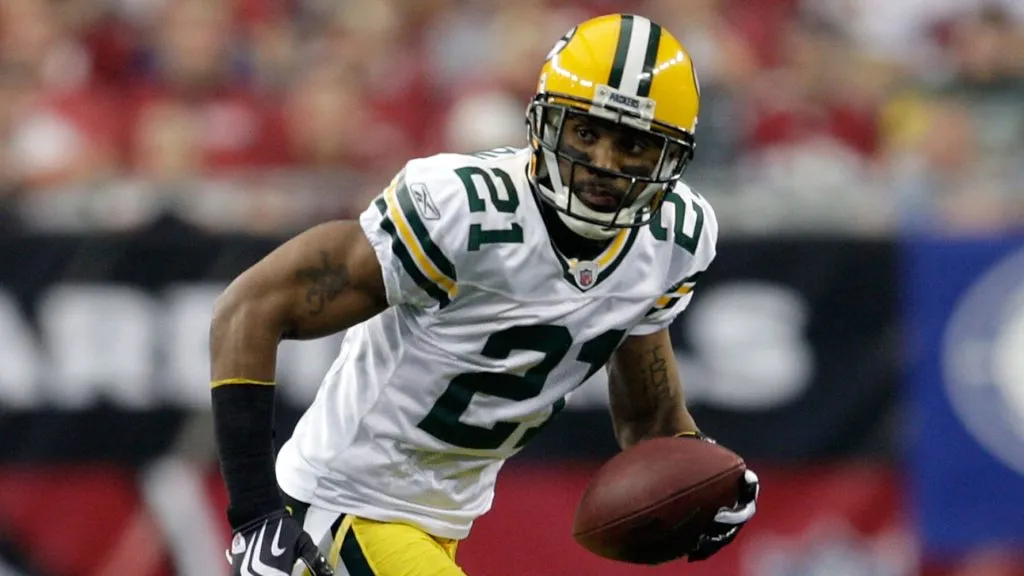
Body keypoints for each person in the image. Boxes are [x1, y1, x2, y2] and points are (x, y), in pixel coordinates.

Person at [210, 13, 759, 576]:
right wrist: (255, 516)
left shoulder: (672, 238)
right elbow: (249, 308)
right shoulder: (465, 212)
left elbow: (649, 418)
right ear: (546, 123)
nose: (603, 163)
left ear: (671, 158)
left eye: (633, 146)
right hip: (341, 508)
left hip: (433, 525)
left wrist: (711, 474)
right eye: (587, 133)